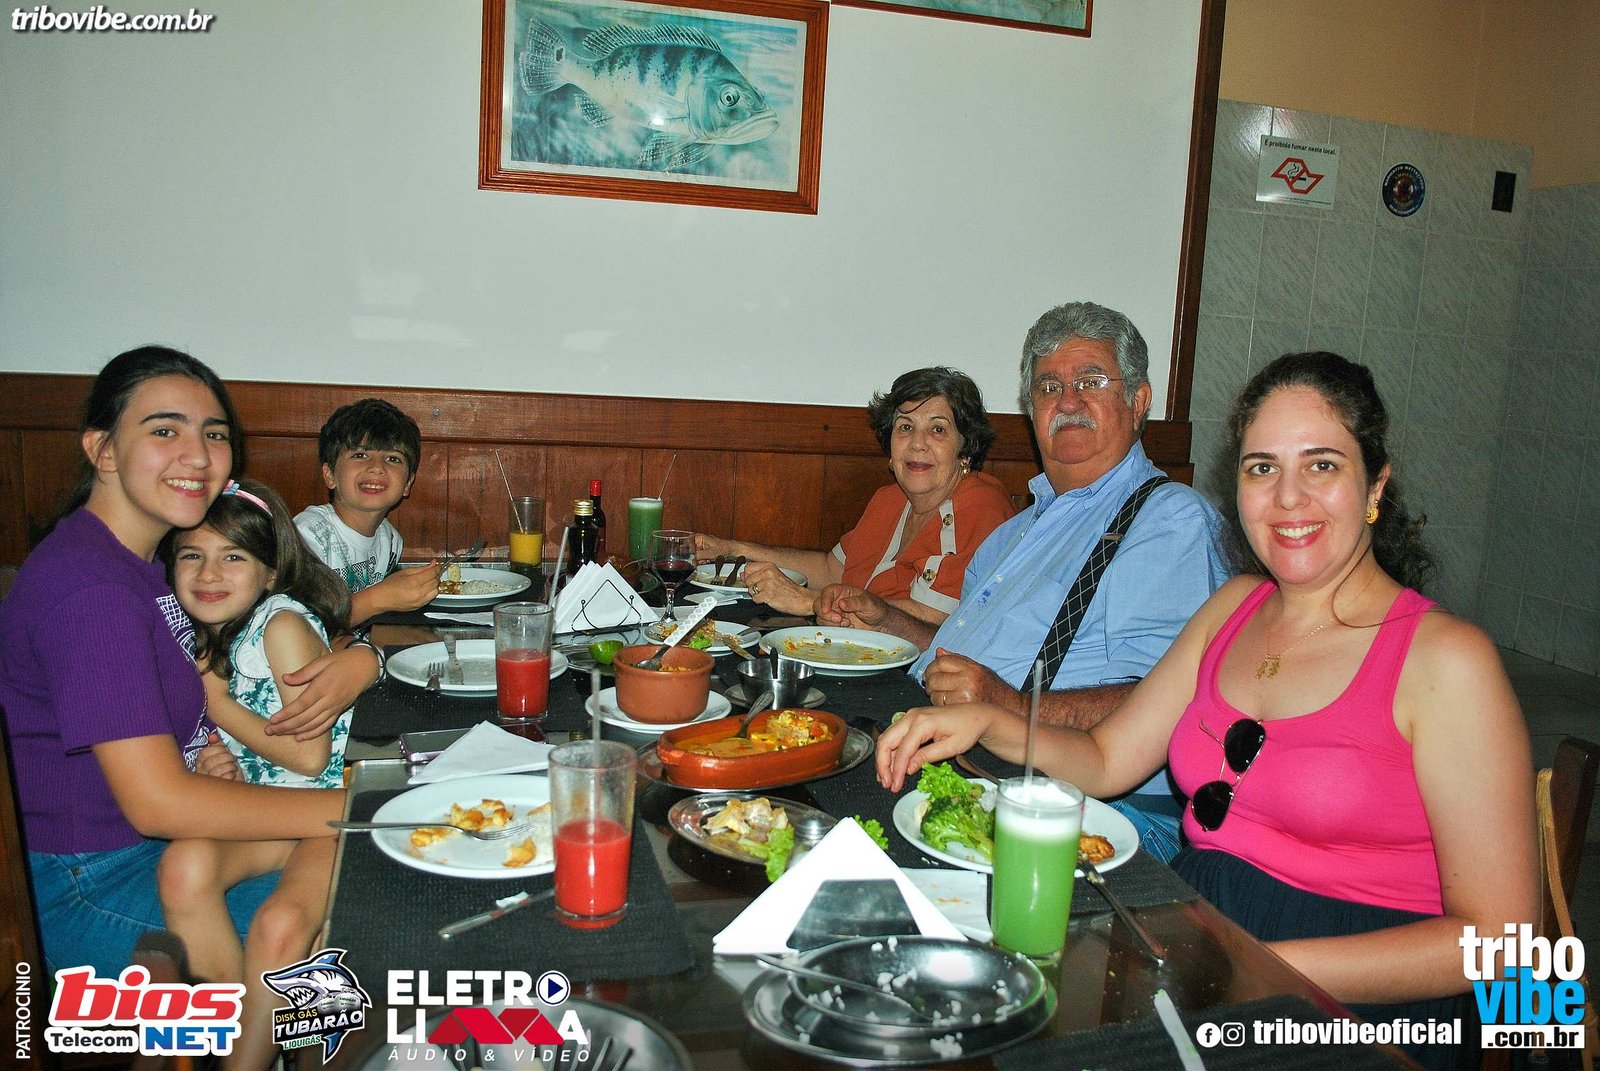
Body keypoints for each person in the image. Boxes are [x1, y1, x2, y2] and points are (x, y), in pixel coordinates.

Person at [877, 351, 1536, 1071]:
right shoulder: (1234, 607)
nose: (1288, 497)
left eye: (1321, 465)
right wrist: (989, 721)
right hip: (1201, 934)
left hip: (1362, 1002)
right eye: (1262, 468)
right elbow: (1106, 758)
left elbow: (1502, 943)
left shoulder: (1446, 660)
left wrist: (1254, 966)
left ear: (1375, 483)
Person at [0, 346, 376, 986]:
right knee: (380, 921)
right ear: (102, 449)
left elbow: (286, 624)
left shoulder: (143, 564)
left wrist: (364, 659)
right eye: (164, 430)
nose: (198, 456)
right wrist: (365, 809)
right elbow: (160, 803)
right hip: (89, 881)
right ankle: (237, 1035)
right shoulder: (91, 591)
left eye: (215, 434)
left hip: (160, 849)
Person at [821, 303, 1230, 859]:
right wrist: (888, 621)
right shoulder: (1016, 531)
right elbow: (969, 662)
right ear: (1031, 409)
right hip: (957, 755)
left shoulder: (1168, 521)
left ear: (1138, 401)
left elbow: (1165, 701)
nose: (1068, 402)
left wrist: (1007, 704)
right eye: (1049, 387)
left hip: (1090, 808)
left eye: (1091, 382)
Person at [160, 477, 353, 1070]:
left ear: (270, 573)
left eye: (233, 557)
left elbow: (309, 757)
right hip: (269, 809)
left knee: (280, 924)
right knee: (184, 865)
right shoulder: (204, 634)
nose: (208, 573)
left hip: (326, 812)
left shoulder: (280, 626)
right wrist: (207, 753)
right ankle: (235, 1035)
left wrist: (215, 705)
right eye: (191, 555)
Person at [693, 367, 1013, 625]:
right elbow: (829, 569)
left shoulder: (980, 506)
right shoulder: (890, 500)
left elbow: (934, 618)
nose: (917, 443)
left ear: (966, 450)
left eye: (938, 429)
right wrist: (734, 549)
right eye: (905, 427)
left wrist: (809, 602)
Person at [295, 397, 440, 628]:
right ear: (330, 475)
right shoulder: (309, 535)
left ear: (407, 484)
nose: (377, 467)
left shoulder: (390, 540)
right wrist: (378, 599)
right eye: (360, 455)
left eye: (393, 458)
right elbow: (298, 629)